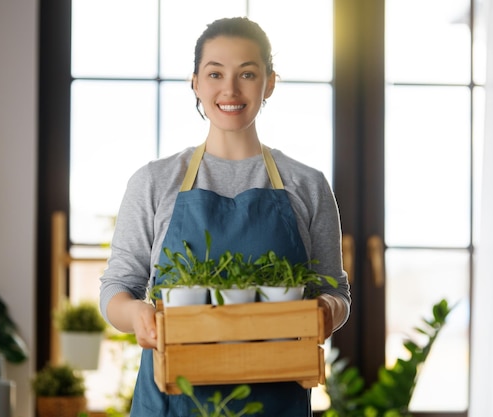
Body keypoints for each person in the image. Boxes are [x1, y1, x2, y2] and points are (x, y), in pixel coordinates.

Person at [100, 16, 351, 417]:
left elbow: (336, 291)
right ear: (195, 83)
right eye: (215, 73)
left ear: (269, 83)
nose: (230, 89)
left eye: (247, 74)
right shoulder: (154, 181)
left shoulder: (307, 184)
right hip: (172, 401)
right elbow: (117, 286)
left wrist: (325, 312)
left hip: (277, 400)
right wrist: (136, 315)